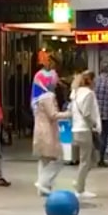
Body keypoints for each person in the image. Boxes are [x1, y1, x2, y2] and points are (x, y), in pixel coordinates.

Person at [31, 68, 70, 196]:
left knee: (44, 159)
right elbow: (53, 115)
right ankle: (43, 182)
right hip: (48, 131)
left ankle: (43, 188)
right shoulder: (48, 96)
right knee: (59, 160)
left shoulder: (36, 98)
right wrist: (69, 114)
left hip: (39, 130)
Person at [70, 70, 101, 199]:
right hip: (85, 130)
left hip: (76, 129)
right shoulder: (88, 94)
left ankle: (79, 181)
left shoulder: (75, 93)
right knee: (85, 161)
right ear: (91, 80)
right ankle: (80, 189)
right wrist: (93, 124)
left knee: (92, 159)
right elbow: (87, 113)